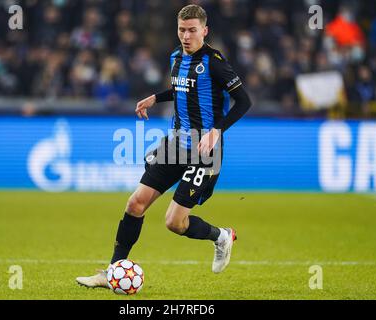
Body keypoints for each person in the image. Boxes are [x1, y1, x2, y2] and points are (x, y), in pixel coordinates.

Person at [76, 4, 252, 288]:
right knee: (135, 203)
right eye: (182, 29)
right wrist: (155, 98)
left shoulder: (215, 61)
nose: (186, 35)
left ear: (204, 31)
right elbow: (183, 88)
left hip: (204, 152)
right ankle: (110, 273)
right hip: (175, 145)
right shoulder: (175, 57)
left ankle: (221, 236)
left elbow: (244, 101)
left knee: (174, 222)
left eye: (192, 30)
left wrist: (216, 131)